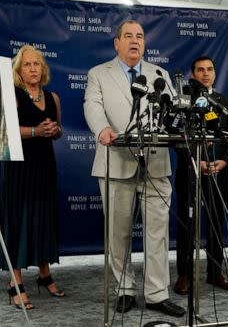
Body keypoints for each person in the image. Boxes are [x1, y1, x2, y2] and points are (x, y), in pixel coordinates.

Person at [83, 20, 185, 317]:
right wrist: (102, 129)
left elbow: (171, 112)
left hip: (155, 163)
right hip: (116, 162)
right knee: (118, 233)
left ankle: (156, 293)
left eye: (139, 36)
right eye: (128, 36)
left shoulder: (159, 74)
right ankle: (125, 289)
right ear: (117, 43)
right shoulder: (98, 74)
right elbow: (92, 105)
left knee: (157, 233)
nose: (134, 41)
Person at [0, 45, 64, 310]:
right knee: (18, 221)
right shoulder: (12, 95)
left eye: (37, 64)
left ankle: (44, 274)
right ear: (18, 70)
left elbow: (58, 132)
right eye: (28, 65)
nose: (33, 68)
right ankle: (15, 282)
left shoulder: (52, 97)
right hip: (18, 168)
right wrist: (36, 131)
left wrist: (53, 130)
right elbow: (4, 131)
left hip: (45, 165)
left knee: (42, 218)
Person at [173, 56, 228, 295]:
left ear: (215, 73)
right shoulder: (182, 100)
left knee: (215, 222)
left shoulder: (223, 101)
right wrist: (196, 161)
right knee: (186, 224)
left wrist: (224, 160)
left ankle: (215, 272)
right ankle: (184, 276)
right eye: (200, 70)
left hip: (218, 170)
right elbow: (175, 137)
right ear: (193, 74)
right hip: (190, 170)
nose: (206, 73)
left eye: (210, 69)